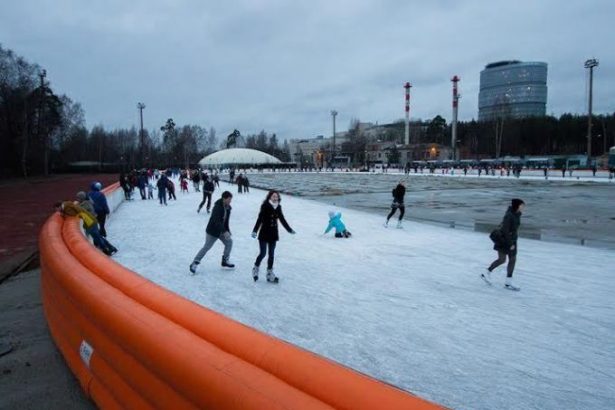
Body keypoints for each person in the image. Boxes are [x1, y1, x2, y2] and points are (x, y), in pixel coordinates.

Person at [251, 190, 295, 283]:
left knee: (271, 255)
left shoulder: (278, 207)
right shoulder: (265, 206)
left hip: (273, 234)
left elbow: (282, 219)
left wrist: (289, 229)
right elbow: (260, 219)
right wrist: (255, 230)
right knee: (263, 253)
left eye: (277, 196)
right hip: (264, 233)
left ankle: (269, 274)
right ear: (270, 197)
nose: (275, 198)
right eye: (274, 196)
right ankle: (255, 268)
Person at [481, 198, 525, 291]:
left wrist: (514, 240)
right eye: (522, 205)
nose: (523, 207)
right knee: (502, 260)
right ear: (517, 206)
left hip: (512, 240)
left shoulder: (517, 214)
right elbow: (505, 230)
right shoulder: (509, 216)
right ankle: (486, 272)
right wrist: (510, 244)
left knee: (512, 259)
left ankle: (508, 282)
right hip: (504, 240)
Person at [190, 191, 235, 274]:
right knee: (206, 247)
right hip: (212, 231)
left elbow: (225, 221)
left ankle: (225, 260)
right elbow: (216, 221)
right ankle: (195, 263)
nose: (230, 201)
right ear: (224, 198)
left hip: (221, 230)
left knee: (229, 242)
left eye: (230, 200)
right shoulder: (217, 207)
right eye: (229, 199)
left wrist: (227, 231)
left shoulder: (228, 208)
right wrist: (225, 231)